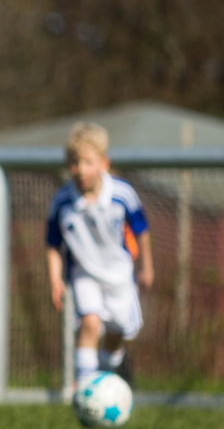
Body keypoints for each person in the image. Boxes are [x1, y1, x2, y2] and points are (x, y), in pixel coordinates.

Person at [46, 122, 153, 387]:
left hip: (119, 274)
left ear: (104, 163)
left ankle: (105, 376)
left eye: (88, 162)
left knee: (117, 332)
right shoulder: (61, 201)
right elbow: (52, 244)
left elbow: (142, 231)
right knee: (90, 324)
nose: (80, 169)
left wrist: (146, 266)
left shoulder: (123, 194)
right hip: (83, 274)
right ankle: (84, 388)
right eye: (74, 162)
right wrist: (55, 279)